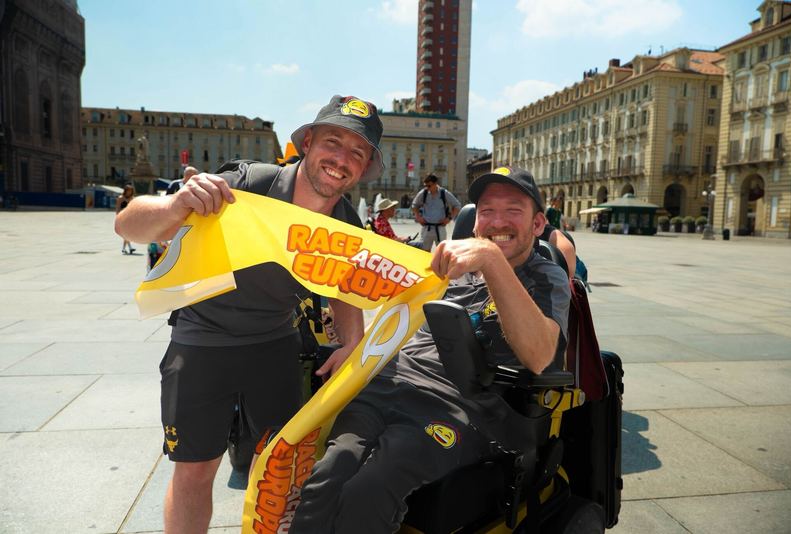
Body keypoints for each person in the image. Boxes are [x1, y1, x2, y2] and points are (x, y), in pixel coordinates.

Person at [115, 94, 384, 534]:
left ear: (364, 167)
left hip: (274, 345)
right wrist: (175, 205)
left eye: (357, 152)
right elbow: (127, 224)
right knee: (195, 470)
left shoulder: (347, 223)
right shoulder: (246, 183)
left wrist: (353, 343)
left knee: (277, 467)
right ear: (308, 142)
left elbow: (344, 286)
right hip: (203, 339)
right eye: (333, 143)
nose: (341, 160)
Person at [289, 167, 570, 534]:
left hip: (457, 408)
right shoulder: (448, 271)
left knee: (368, 491)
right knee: (324, 481)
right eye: (486, 210)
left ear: (537, 224)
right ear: (474, 221)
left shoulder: (545, 276)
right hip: (386, 388)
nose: (497, 220)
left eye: (513, 209)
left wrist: (492, 259)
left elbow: (539, 355)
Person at [411, 174, 461, 251]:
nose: (427, 188)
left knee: (441, 253)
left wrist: (449, 218)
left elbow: (457, 205)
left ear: (435, 184)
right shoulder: (423, 193)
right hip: (427, 228)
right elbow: (414, 205)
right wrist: (418, 217)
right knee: (424, 252)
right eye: (425, 185)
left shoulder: (444, 193)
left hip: (440, 228)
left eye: (429, 186)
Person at [115, 184, 136, 254]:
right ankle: (129, 248)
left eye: (130, 191)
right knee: (126, 233)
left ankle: (125, 248)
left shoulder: (132, 198)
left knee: (127, 233)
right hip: (122, 217)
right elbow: (117, 208)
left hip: (130, 217)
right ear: (125, 191)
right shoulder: (121, 198)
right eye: (128, 191)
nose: (129, 192)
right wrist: (118, 216)